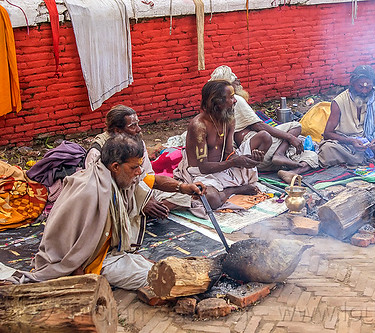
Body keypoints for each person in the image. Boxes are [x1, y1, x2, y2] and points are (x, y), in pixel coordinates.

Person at [12, 135, 205, 290]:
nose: (139, 172)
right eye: (134, 167)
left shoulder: (119, 176)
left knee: (163, 268)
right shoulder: (88, 191)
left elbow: (152, 180)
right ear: (115, 167)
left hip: (112, 253)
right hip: (90, 263)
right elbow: (64, 241)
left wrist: (182, 187)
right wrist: (83, 283)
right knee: (158, 280)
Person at [86, 105, 192, 218]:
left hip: (140, 189)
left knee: (184, 195)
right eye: (133, 126)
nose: (139, 129)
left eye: (138, 123)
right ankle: (139, 214)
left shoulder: (136, 143)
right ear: (117, 131)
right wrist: (141, 202)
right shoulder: (96, 153)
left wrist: (182, 187)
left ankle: (144, 213)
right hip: (116, 197)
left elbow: (146, 177)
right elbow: (99, 192)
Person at [208, 65, 319, 174]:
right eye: (235, 79)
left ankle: (291, 173)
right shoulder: (235, 100)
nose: (239, 81)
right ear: (228, 85)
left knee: (308, 155)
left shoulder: (214, 107)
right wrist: (290, 137)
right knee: (296, 126)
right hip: (259, 149)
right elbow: (258, 126)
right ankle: (280, 154)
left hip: (254, 157)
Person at [174, 80, 265, 209]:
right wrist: (235, 162)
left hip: (223, 166)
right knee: (212, 199)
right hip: (202, 172)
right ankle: (233, 190)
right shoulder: (199, 125)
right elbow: (203, 168)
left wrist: (251, 161)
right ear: (217, 102)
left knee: (265, 137)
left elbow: (229, 153)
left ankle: (228, 187)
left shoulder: (229, 119)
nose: (235, 101)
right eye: (231, 97)